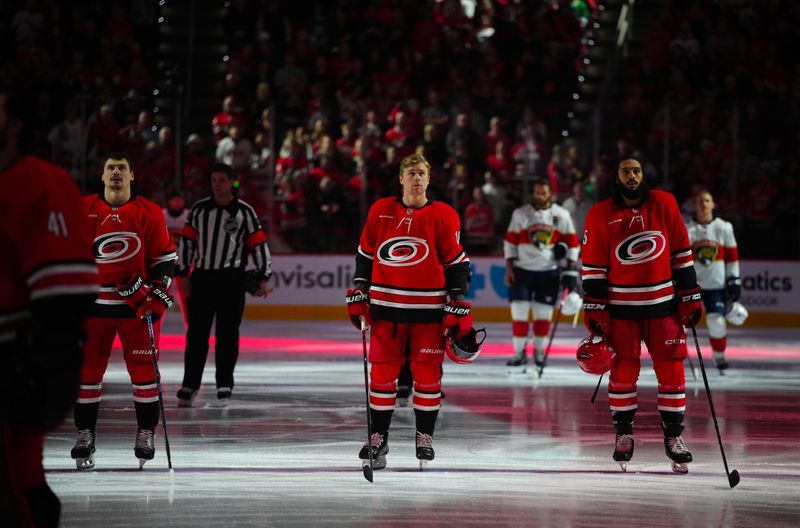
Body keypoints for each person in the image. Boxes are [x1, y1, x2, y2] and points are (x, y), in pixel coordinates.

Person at [0, 87, 98, 528]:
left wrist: (38, 373)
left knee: (20, 493)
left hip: (10, 371)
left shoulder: (38, 183)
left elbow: (66, 302)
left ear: (15, 123)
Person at [346, 153, 474, 470]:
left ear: (429, 179)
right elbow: (365, 254)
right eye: (411, 173)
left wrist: (457, 299)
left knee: (427, 377)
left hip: (428, 312)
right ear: (401, 179)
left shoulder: (444, 215)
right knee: (382, 376)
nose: (416, 178)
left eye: (421, 173)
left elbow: (457, 263)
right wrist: (360, 289)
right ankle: (378, 436)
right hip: (386, 310)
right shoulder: (380, 211)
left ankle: (424, 436)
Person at [580, 156, 702, 473]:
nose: (632, 176)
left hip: (663, 307)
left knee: (673, 371)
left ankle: (674, 437)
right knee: (622, 373)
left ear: (643, 174)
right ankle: (623, 434)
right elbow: (593, 266)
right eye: (625, 171)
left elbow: (681, 252)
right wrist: (595, 307)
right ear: (617, 177)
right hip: (621, 311)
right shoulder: (600, 213)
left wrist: (690, 294)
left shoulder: (665, 204)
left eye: (636, 170)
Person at [72, 152, 177, 470]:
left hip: (137, 307)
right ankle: (85, 434)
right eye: (110, 168)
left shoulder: (149, 211)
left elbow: (165, 258)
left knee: (145, 374)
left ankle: (146, 431)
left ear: (132, 176)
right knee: (88, 374)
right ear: (102, 176)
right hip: (94, 308)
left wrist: (158, 293)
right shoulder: (83, 209)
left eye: (121, 168)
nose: (115, 173)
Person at [176, 163, 272, 407]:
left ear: (232, 182)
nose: (216, 185)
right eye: (213, 180)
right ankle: (190, 384)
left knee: (227, 334)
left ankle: (224, 383)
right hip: (202, 279)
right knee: (196, 334)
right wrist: (183, 274)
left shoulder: (244, 212)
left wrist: (263, 276)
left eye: (221, 180)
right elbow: (186, 244)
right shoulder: (198, 210)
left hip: (231, 280)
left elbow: (259, 245)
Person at [502, 178, 579, 369]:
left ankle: (539, 353)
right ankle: (519, 353)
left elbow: (573, 243)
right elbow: (510, 243)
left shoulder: (561, 215)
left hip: (549, 272)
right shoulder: (520, 214)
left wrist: (570, 267)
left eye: (543, 192)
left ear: (550, 193)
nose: (540, 196)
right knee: (519, 314)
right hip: (522, 271)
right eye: (537, 192)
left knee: (543, 315)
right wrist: (509, 269)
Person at [685, 189, 742, 371]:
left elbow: (732, 257)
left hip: (716, 286)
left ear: (713, 204)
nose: (703, 204)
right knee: (682, 324)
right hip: (691, 287)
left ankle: (719, 358)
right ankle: (676, 357)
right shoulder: (687, 230)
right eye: (700, 201)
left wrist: (734, 279)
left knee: (717, 322)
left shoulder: (724, 228)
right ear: (694, 205)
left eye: (707, 200)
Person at [163, 190, 191, 329]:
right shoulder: (162, 216)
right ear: (169, 201)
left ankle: (190, 330)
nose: (178, 202)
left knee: (187, 300)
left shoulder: (189, 216)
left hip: (183, 265)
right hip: (165, 265)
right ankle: (155, 332)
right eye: (175, 200)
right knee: (161, 299)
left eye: (180, 199)